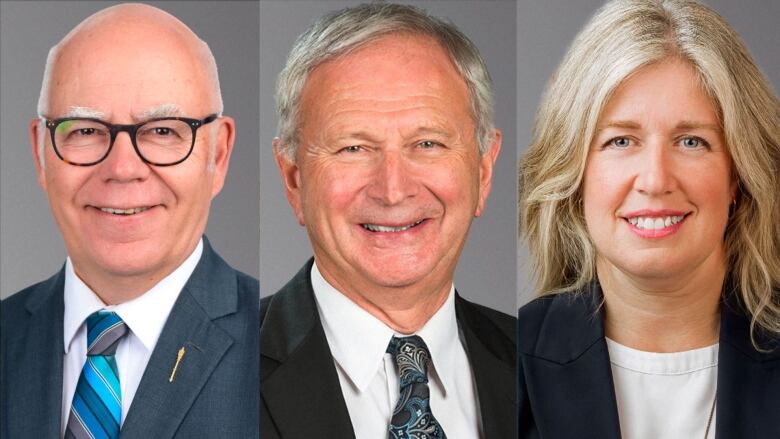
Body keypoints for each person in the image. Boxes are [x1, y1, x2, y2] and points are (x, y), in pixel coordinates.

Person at [517, 0, 780, 438]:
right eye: (621, 140)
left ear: (738, 175)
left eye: (691, 141)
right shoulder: (506, 361)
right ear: (576, 173)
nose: (655, 180)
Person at [0, 4, 259, 438]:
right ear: (41, 153)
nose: (123, 168)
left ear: (218, 154)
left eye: (162, 131)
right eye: (85, 130)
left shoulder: (275, 347)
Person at [260, 3, 515, 438]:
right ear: (294, 180)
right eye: (353, 148)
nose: (393, 189)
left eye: (428, 143)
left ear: (484, 171)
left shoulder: (543, 368)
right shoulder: (213, 376)